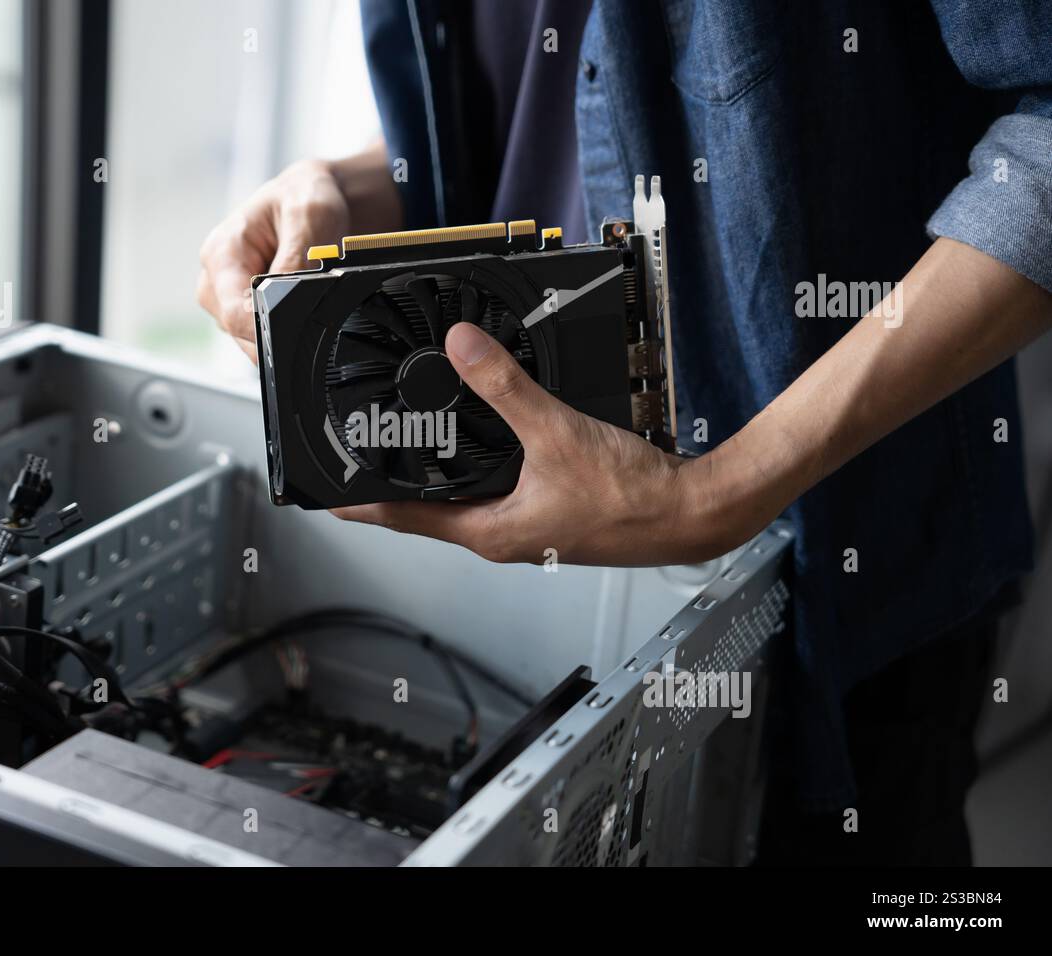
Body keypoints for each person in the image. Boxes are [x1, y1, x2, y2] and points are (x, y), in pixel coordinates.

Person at [198, 1, 1052, 864]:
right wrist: (352, 185)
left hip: (850, 566)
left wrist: (718, 492)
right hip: (532, 534)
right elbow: (541, 109)